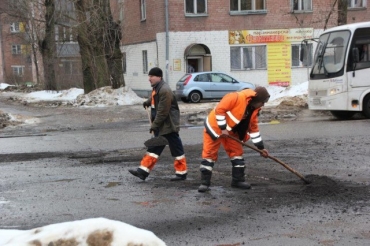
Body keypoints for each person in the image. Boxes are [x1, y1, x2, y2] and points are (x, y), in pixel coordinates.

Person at [198, 86, 270, 192]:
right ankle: (205, 183)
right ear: (256, 99)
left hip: (231, 131)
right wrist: (223, 129)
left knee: (237, 153)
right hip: (215, 127)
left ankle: (238, 180)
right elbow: (220, 110)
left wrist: (261, 148)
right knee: (209, 154)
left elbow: (253, 129)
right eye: (263, 102)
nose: (263, 105)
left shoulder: (254, 109)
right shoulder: (235, 97)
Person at [129, 67, 188, 181]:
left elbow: (163, 111)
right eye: (149, 76)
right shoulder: (157, 88)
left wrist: (155, 125)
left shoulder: (164, 90)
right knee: (155, 148)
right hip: (163, 125)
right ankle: (143, 171)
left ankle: (181, 173)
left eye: (151, 76)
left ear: (159, 77)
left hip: (168, 126)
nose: (149, 79)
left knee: (176, 150)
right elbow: (154, 97)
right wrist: (147, 102)